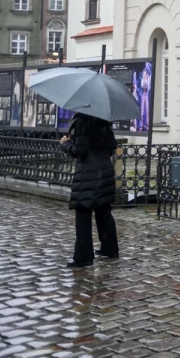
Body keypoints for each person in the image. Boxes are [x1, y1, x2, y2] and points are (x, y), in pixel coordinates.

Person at [61, 112, 119, 268]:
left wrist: (65, 144)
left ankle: (83, 256)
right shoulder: (104, 120)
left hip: (88, 173)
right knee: (103, 210)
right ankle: (110, 248)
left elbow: (80, 151)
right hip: (105, 170)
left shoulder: (81, 121)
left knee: (83, 213)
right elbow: (111, 147)